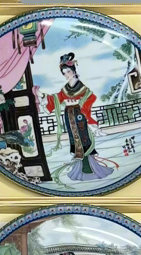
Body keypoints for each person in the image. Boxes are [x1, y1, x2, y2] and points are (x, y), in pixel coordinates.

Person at [35, 53, 115, 182]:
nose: (67, 75)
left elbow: (90, 97)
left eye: (68, 71)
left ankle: (90, 168)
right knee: (74, 139)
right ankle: (80, 168)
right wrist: (41, 95)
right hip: (69, 115)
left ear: (74, 71)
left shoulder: (82, 88)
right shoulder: (65, 89)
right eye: (64, 73)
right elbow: (56, 99)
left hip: (79, 115)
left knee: (83, 139)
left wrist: (81, 106)